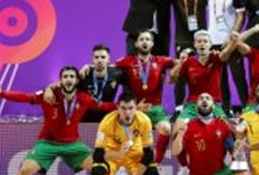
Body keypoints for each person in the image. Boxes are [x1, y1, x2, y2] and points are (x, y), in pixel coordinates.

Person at [0, 67, 115, 175]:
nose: (68, 79)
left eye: (71, 77)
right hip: (47, 143)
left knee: (101, 168)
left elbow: (103, 106)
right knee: (24, 171)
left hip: (73, 145)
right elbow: (26, 97)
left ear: (76, 81)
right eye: (65, 76)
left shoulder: (84, 98)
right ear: (60, 80)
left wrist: (127, 106)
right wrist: (2, 93)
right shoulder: (48, 96)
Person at [171, 93, 256, 175]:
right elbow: (176, 151)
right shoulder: (189, 126)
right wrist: (180, 134)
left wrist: (239, 146)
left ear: (214, 105)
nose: (204, 100)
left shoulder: (222, 125)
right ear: (196, 106)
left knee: (243, 171)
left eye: (208, 98)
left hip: (220, 173)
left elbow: (232, 151)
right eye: (200, 98)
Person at [90, 93, 158, 175]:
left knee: (153, 174)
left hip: (135, 156)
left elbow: (149, 154)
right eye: (124, 108)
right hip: (114, 156)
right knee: (97, 171)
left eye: (131, 108)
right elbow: (98, 155)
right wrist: (118, 154)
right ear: (117, 108)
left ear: (136, 108)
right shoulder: (107, 122)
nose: (127, 112)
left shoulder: (144, 120)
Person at [114, 30, 177, 164]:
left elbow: (180, 62)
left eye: (148, 39)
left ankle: (156, 164)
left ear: (152, 44)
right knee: (126, 135)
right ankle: (126, 167)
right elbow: (107, 67)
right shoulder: (127, 61)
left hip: (155, 108)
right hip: (134, 110)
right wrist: (88, 67)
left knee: (166, 128)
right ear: (136, 44)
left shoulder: (161, 61)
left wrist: (173, 75)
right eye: (141, 39)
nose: (144, 42)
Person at [169, 30, 240, 120]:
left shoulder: (216, 58)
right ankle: (178, 109)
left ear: (210, 45)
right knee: (178, 128)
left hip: (213, 104)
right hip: (193, 104)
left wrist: (233, 41)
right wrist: (181, 63)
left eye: (205, 41)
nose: (202, 44)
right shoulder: (188, 62)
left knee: (226, 129)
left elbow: (227, 52)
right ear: (195, 45)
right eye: (199, 41)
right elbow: (172, 80)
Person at [207, 0, 248, 109]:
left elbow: (240, 16)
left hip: (230, 42)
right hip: (213, 41)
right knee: (219, 78)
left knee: (238, 76)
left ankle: (245, 107)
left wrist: (233, 37)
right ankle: (225, 108)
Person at [168, 0, 211, 107]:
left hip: (201, 39)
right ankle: (179, 108)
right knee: (181, 73)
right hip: (182, 39)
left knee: (203, 73)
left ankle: (203, 106)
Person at [78, 44, 126, 123]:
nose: (99, 60)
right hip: (87, 120)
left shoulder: (117, 73)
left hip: (108, 119)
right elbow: (67, 84)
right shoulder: (85, 74)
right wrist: (51, 88)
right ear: (92, 60)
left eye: (103, 57)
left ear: (108, 60)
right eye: (96, 57)